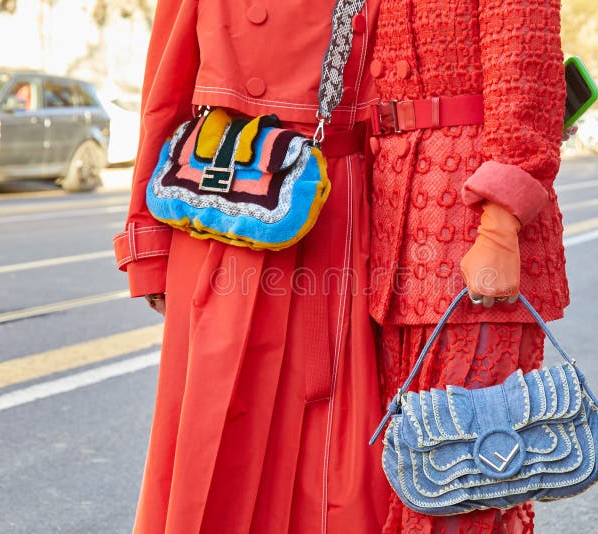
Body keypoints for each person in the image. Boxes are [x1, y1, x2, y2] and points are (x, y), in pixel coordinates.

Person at [112, 1, 391, 532]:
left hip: (346, 218)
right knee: (222, 449)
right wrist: (147, 247)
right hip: (232, 213)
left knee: (337, 457)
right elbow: (163, 98)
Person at [367, 0, 568, 532]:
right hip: (384, 242)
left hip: (474, 233)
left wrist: (501, 227)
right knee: (408, 477)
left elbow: (525, 75)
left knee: (464, 484)